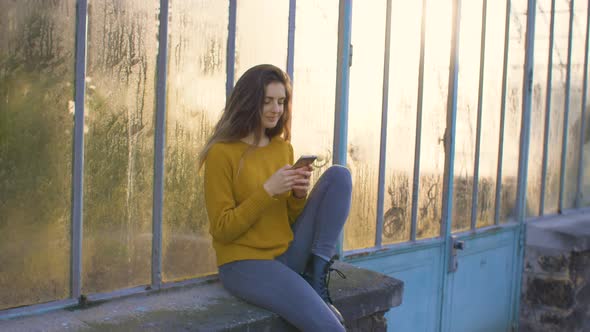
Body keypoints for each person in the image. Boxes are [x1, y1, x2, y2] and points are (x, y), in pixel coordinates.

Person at [198, 64, 352, 331]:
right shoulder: (221, 154)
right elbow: (222, 229)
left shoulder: (282, 148)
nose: (276, 109)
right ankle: (306, 284)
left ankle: (316, 273)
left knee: (339, 177)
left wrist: (297, 195)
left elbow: (287, 218)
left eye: (281, 102)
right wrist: (267, 190)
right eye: (267, 101)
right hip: (244, 265)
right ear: (249, 102)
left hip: (286, 253)